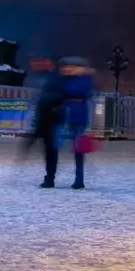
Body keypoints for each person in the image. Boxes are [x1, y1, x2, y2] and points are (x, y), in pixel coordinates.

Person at [25, 69, 67, 188]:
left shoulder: (46, 96)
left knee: (49, 153)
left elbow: (40, 112)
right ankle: (50, 177)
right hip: (50, 127)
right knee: (51, 153)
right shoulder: (58, 96)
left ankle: (49, 178)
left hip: (46, 126)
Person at [59, 56, 95, 190]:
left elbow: (81, 92)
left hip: (79, 115)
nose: (67, 69)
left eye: (70, 66)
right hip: (68, 114)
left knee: (78, 149)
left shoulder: (84, 79)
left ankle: (79, 179)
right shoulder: (67, 79)